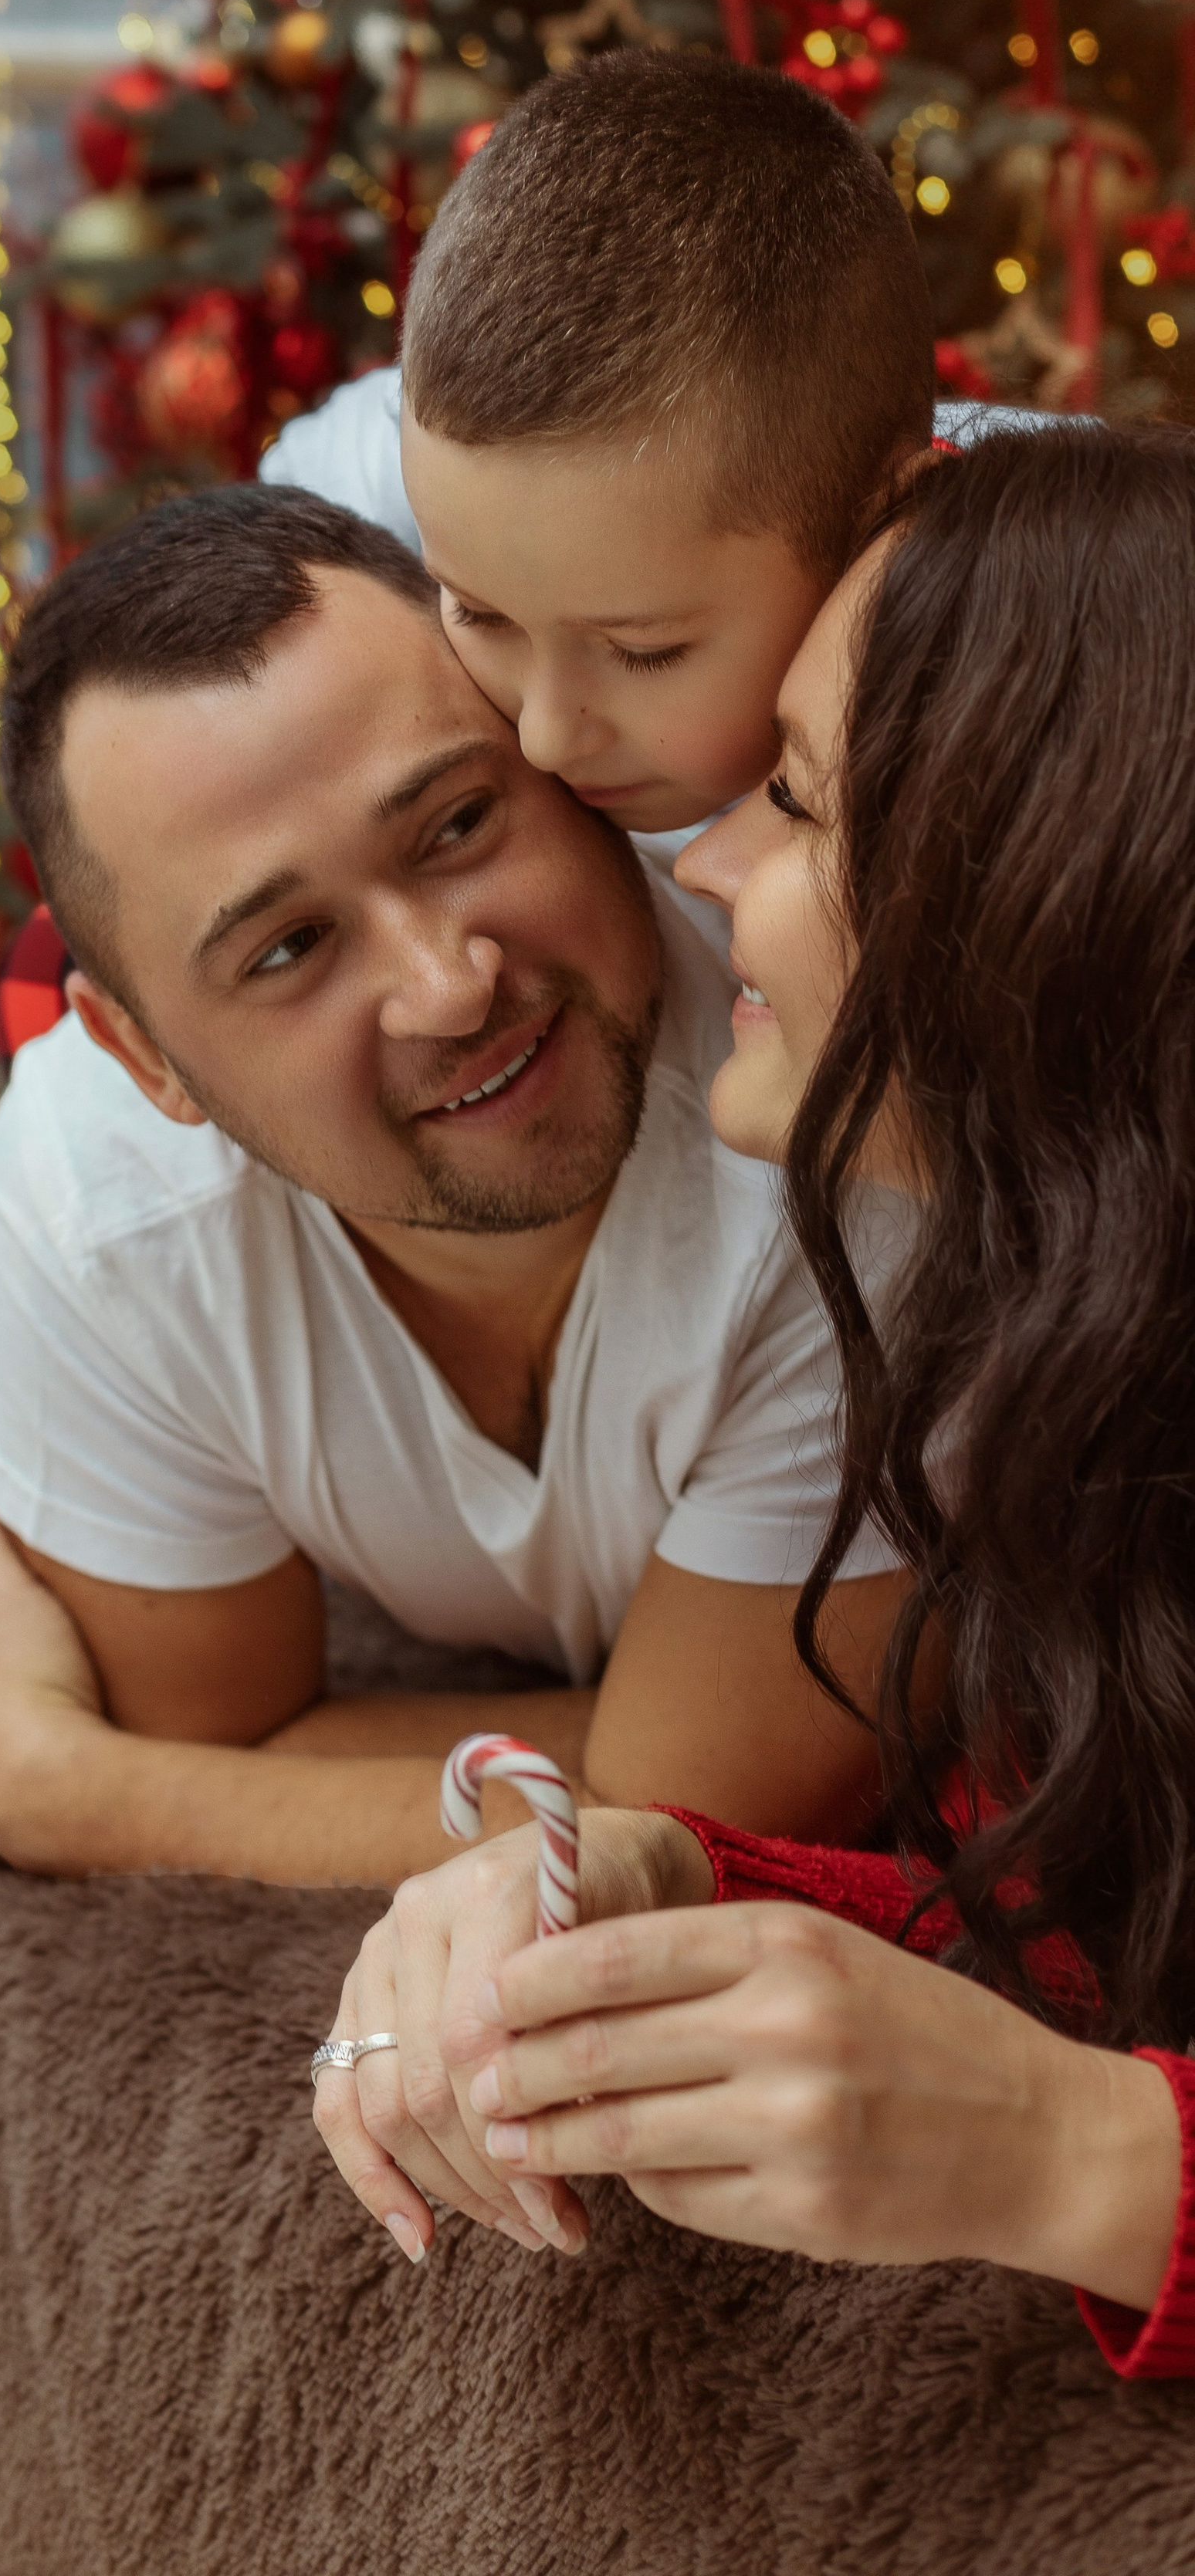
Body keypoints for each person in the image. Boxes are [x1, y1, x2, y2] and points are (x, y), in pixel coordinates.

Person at [313, 422, 1195, 2373]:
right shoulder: (1073, 1402)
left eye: (789, 799)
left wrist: (1087, 2152)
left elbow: (1059, 2069)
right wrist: (658, 1867)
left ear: (1034, 900)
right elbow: (1047, 1902)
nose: (700, 864)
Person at [0, 481, 905, 1915]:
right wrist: (643, 1756)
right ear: (145, 1057)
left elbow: (702, 1814)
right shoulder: (100, 1200)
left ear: (557, 761)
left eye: (455, 825)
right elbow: (238, 1727)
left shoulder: (831, 1095)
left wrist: (73, 1792)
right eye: (289, 948)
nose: (452, 986)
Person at [265, 49, 1035, 908]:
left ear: (890, 526)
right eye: (476, 613)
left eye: (643, 653)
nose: (545, 736)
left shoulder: (1054, 770)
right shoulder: (392, 468)